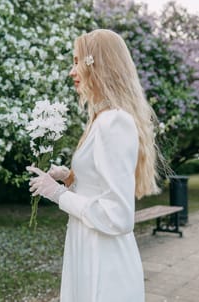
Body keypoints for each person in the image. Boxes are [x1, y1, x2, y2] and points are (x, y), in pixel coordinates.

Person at [27, 29, 161, 302]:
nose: (71, 71)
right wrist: (70, 179)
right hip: (88, 247)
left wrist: (58, 194)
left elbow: (118, 215)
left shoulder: (114, 122)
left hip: (105, 261)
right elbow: (99, 187)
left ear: (97, 66)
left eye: (77, 61)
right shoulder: (102, 119)